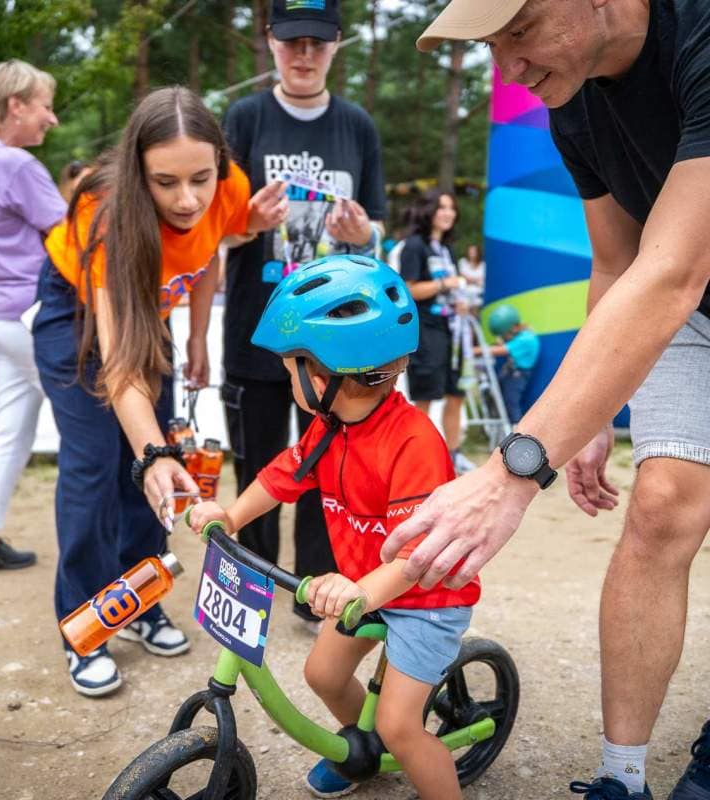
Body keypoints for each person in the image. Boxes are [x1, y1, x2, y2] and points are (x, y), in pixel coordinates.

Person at [381, 2, 710, 798]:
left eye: (519, 32)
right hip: (686, 301)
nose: (510, 68)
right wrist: (590, 414)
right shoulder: (574, 97)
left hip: (684, 281)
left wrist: (510, 473)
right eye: (492, 46)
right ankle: (621, 778)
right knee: (664, 503)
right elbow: (616, 259)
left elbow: (674, 271)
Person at [190, 255, 479, 800]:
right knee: (322, 675)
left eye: (291, 364)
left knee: (403, 726)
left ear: (326, 375)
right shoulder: (329, 426)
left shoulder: (413, 442)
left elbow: (416, 558)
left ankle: (416, 765)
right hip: (363, 589)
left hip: (425, 595)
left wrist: (358, 587)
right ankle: (364, 752)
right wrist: (230, 516)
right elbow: (281, 478)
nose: (287, 375)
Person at [34, 85, 288, 697]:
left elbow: (210, 252)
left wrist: (199, 336)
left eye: (199, 179)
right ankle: (85, 625)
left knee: (159, 468)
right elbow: (121, 367)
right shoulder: (104, 209)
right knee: (102, 463)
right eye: (165, 182)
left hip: (155, 312)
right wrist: (151, 453)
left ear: (219, 163)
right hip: (78, 317)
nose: (187, 198)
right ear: (137, 168)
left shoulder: (226, 182)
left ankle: (139, 601)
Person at [221, 0, 387, 631]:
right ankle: (251, 595)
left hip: (334, 338)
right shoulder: (244, 118)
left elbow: (375, 229)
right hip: (257, 332)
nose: (305, 55)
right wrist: (249, 223)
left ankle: (314, 594)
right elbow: (215, 231)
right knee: (259, 468)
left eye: (318, 42)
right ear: (270, 42)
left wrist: (361, 231)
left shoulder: (357, 125)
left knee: (327, 469)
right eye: (293, 41)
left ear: (337, 45)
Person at [0, 59, 66, 576]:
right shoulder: (17, 166)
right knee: (95, 424)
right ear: (15, 105)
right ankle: (108, 546)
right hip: (33, 315)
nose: (52, 119)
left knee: (10, 429)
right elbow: (73, 239)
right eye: (45, 107)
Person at [399, 189, 475, 475]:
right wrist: (447, 285)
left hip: (452, 330)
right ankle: (418, 459)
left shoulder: (446, 249)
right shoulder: (414, 246)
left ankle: (453, 455)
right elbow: (408, 289)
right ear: (428, 210)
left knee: (457, 393)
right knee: (426, 395)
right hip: (427, 330)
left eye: (452, 208)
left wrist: (460, 303)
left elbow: (451, 288)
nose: (448, 213)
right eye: (442, 207)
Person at [478, 304, 540, 426]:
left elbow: (502, 350)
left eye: (505, 335)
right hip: (511, 372)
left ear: (515, 327)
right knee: (499, 399)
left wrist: (475, 350)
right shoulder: (520, 336)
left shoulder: (526, 338)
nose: (504, 338)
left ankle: (517, 430)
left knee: (511, 402)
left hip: (518, 374)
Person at [457, 243, 486, 309]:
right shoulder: (462, 262)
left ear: (478, 252)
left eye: (474, 251)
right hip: (464, 294)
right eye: (470, 251)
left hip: (479, 295)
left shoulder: (483, 264)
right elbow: (462, 277)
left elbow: (483, 280)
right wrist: (476, 281)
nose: (471, 253)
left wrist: (469, 280)